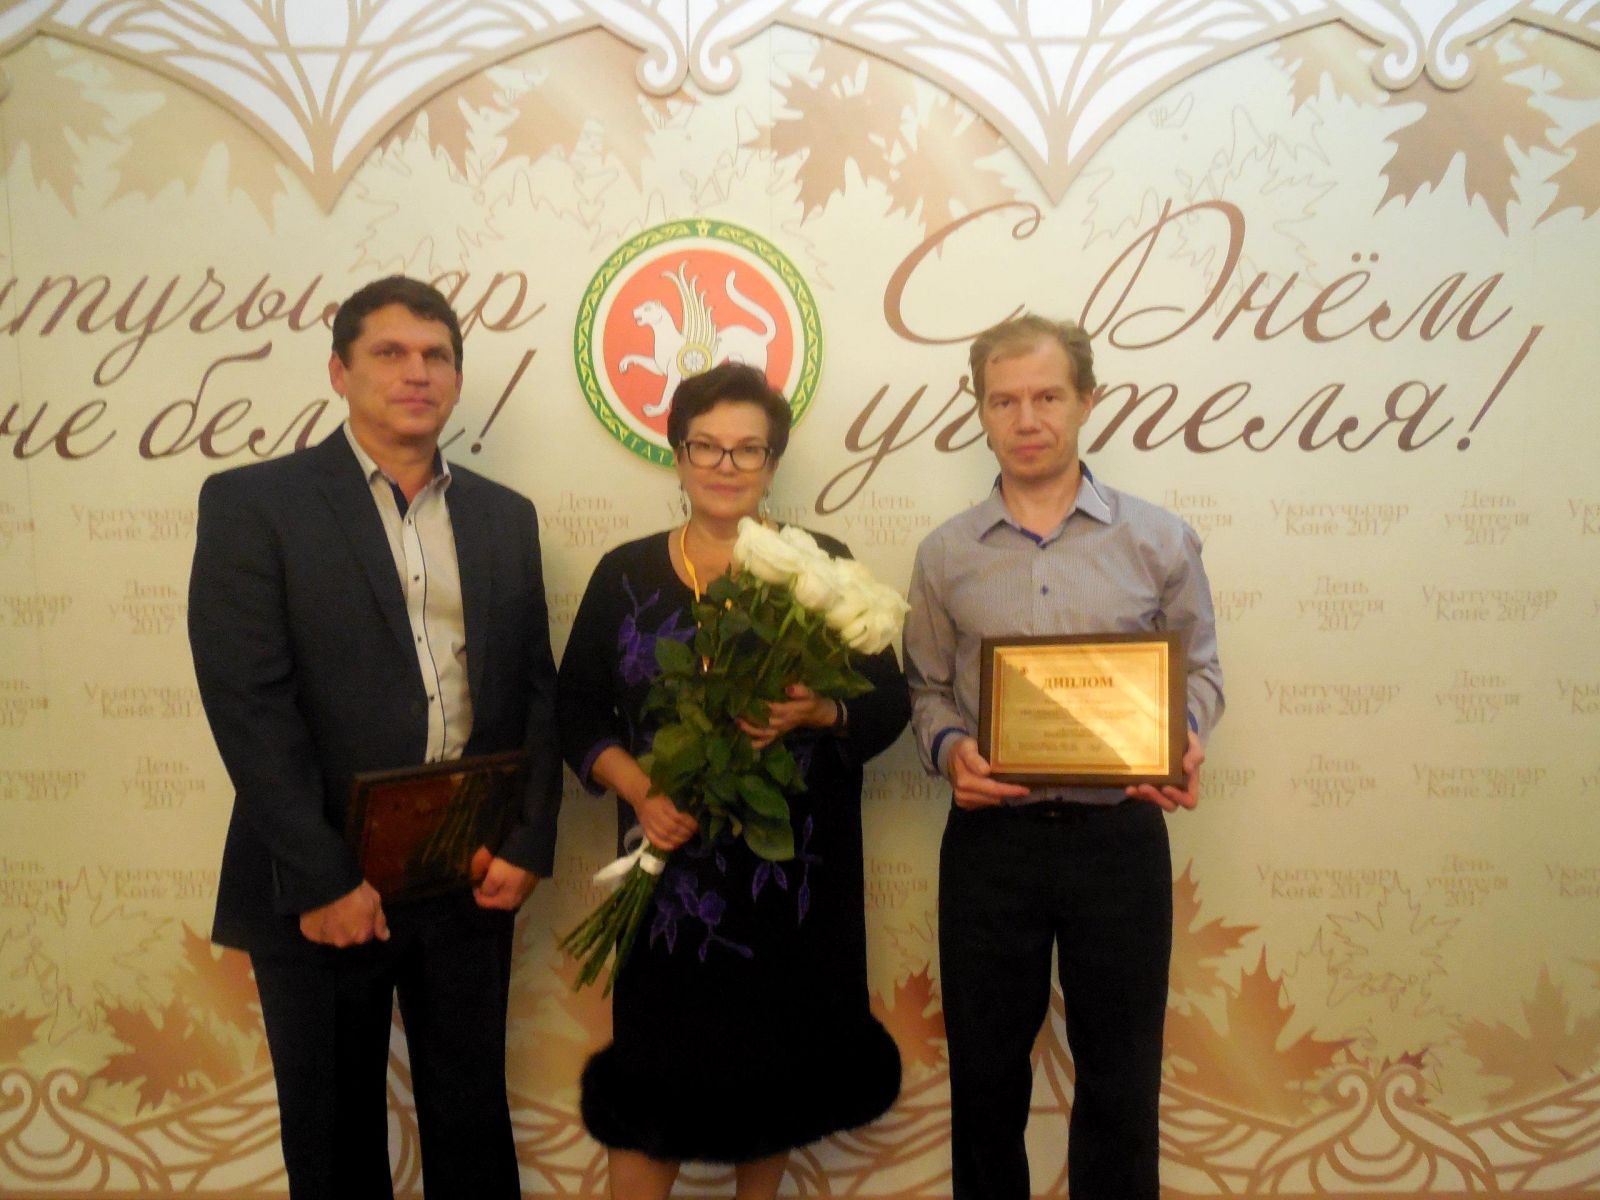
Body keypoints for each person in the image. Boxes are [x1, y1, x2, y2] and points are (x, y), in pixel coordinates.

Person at [187, 275, 562, 1200]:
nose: (415, 373)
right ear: (339, 372)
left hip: (465, 869)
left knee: (472, 1131)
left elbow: (533, 689)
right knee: (335, 1145)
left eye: (436, 355)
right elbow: (248, 704)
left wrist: (528, 840)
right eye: (389, 353)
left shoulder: (503, 515)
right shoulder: (254, 504)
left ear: (458, 378)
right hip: (316, 876)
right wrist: (323, 879)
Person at [557, 362, 907, 1200]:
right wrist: (642, 793)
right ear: (677, 455)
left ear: (773, 462)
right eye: (705, 446)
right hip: (670, 878)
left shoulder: (822, 569)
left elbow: (887, 705)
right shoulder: (625, 572)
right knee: (651, 1089)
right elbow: (575, 711)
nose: (725, 465)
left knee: (774, 1080)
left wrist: (820, 711)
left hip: (790, 881)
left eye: (748, 449)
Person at [902, 314, 1224, 1200]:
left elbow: (1200, 672)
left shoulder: (1158, 540)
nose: (1027, 419)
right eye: (1004, 401)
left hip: (1118, 840)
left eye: (1047, 396)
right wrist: (951, 749)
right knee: (984, 1086)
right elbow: (925, 686)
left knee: (1122, 1082)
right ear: (981, 411)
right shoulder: (945, 554)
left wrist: (1181, 737)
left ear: (1087, 401)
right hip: (990, 846)